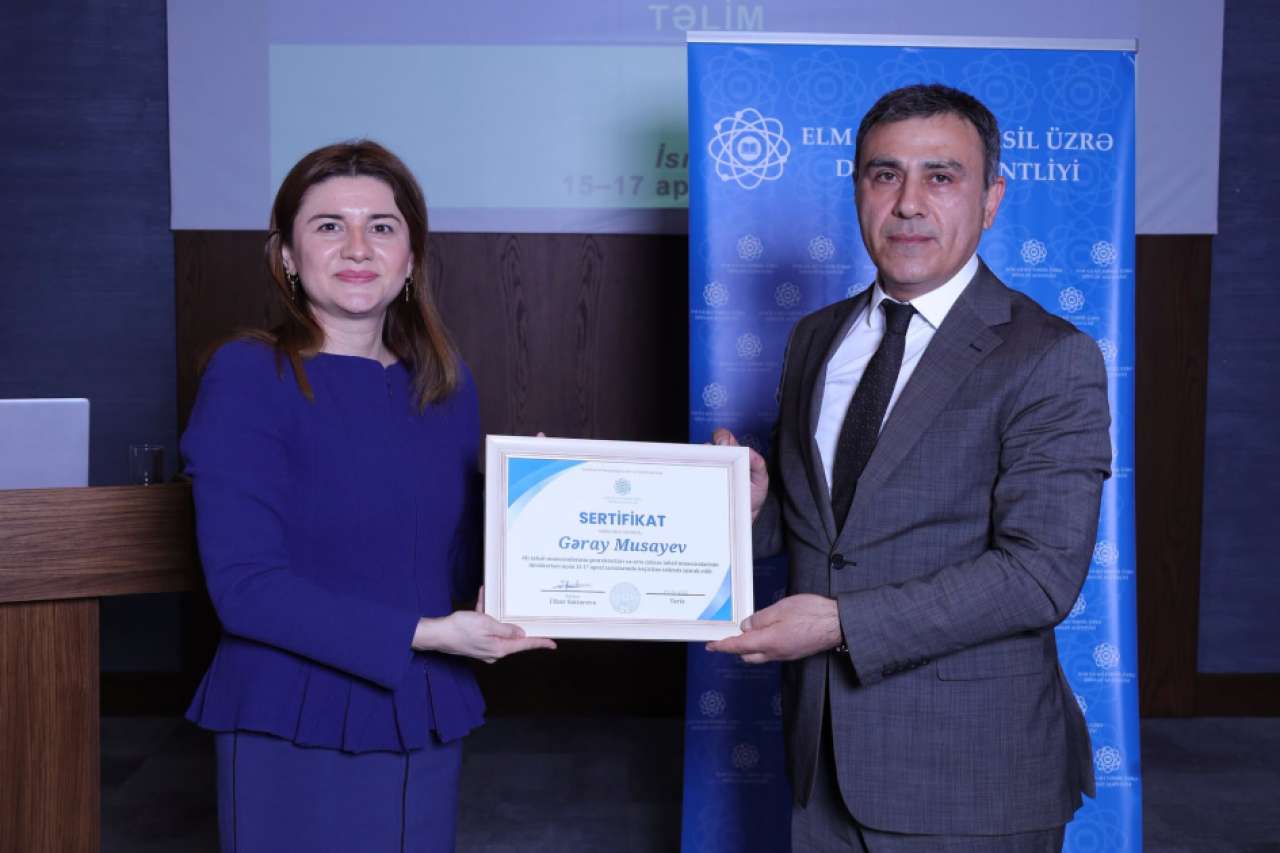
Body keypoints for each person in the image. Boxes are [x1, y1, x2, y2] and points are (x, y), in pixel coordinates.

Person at [708, 84, 1110, 851]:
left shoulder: (1050, 356)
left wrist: (841, 623)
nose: (909, 204)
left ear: (991, 199)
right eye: (885, 174)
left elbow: (1039, 575)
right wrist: (754, 507)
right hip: (819, 761)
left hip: (970, 778)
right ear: (858, 190)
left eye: (941, 176)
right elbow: (826, 531)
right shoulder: (815, 338)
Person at [181, 140, 555, 852]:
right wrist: (427, 634)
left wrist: (539, 511)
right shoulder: (248, 374)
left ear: (410, 258)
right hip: (292, 715)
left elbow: (450, 562)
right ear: (287, 255)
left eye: (381, 226)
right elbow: (246, 589)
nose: (358, 247)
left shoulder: (445, 386)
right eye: (329, 225)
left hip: (425, 710)